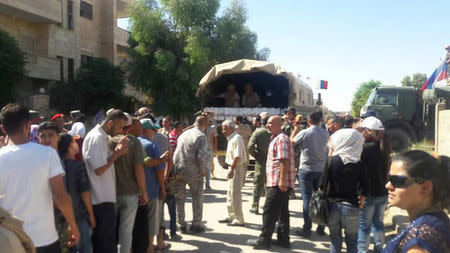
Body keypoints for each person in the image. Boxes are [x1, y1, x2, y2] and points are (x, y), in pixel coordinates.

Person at [0, 103, 79, 252]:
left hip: (10, 242)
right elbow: (61, 197)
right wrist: (73, 225)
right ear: (28, 125)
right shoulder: (47, 154)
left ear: (3, 129)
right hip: (45, 239)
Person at [384, 151, 450, 253]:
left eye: (397, 181)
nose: (388, 185)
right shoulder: (438, 218)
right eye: (388, 178)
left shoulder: (419, 241)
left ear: (425, 188)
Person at [82, 109, 129, 253]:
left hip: (104, 198)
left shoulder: (102, 137)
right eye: (120, 127)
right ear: (110, 123)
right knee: (105, 244)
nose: (121, 131)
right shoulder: (97, 138)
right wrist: (117, 153)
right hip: (100, 200)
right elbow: (99, 169)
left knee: (107, 242)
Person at [247, 116, 296, 249]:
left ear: (278, 124)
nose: (267, 125)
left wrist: (281, 181)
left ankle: (264, 240)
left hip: (278, 183)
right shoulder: (276, 138)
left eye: (269, 123)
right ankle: (283, 239)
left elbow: (284, 160)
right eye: (267, 123)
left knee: (269, 210)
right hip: (278, 182)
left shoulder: (281, 139)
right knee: (282, 212)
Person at [326, 128, 369, 253]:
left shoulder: (331, 161)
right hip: (351, 206)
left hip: (332, 205)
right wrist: (361, 201)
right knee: (351, 242)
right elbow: (365, 187)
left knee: (335, 241)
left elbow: (322, 185)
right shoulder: (359, 163)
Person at [110, 114, 148, 253]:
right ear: (130, 126)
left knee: (111, 231)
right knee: (126, 231)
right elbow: (139, 169)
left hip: (110, 192)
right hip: (130, 193)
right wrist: (143, 192)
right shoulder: (133, 142)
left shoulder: (108, 140)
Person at [290, 110, 329, 237]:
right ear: (320, 120)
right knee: (321, 198)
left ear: (309, 120)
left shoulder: (305, 132)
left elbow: (291, 143)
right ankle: (321, 227)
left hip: (306, 169)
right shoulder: (326, 133)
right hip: (321, 169)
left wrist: (295, 129)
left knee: (307, 198)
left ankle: (307, 229)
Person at [357, 117, 391, 253]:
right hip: (382, 193)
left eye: (362, 130)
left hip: (367, 194)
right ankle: (379, 249)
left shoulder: (364, 149)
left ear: (369, 131)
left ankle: (362, 251)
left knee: (364, 226)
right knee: (378, 224)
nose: (361, 132)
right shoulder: (385, 148)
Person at [58, 133, 95, 253]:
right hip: (80, 216)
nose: (76, 144)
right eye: (74, 142)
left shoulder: (57, 167)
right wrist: (91, 214)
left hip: (63, 219)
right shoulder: (79, 166)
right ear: (70, 146)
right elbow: (84, 192)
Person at [172, 116, 209, 233]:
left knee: (180, 197)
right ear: (204, 125)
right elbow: (201, 157)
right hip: (193, 170)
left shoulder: (184, 134)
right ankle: (196, 224)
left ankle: (181, 224)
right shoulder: (201, 136)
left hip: (178, 168)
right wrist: (203, 170)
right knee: (197, 196)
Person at [138, 119, 169, 253]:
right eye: (153, 130)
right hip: (151, 190)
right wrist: (162, 188)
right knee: (151, 220)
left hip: (136, 191)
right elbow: (159, 170)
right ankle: (150, 248)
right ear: (147, 130)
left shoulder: (133, 142)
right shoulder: (152, 146)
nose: (155, 132)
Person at [219, 119, 248, 226]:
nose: (223, 131)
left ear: (231, 128)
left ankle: (239, 219)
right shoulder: (231, 138)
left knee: (235, 194)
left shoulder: (237, 139)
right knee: (230, 193)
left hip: (236, 168)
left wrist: (232, 170)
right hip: (232, 167)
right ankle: (231, 215)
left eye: (224, 129)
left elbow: (237, 157)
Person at [247, 115, 270, 214]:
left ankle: (255, 206)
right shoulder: (274, 132)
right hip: (272, 161)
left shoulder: (258, 132)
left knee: (257, 184)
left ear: (261, 122)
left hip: (260, 160)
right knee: (269, 184)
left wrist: (256, 155)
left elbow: (250, 147)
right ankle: (268, 206)